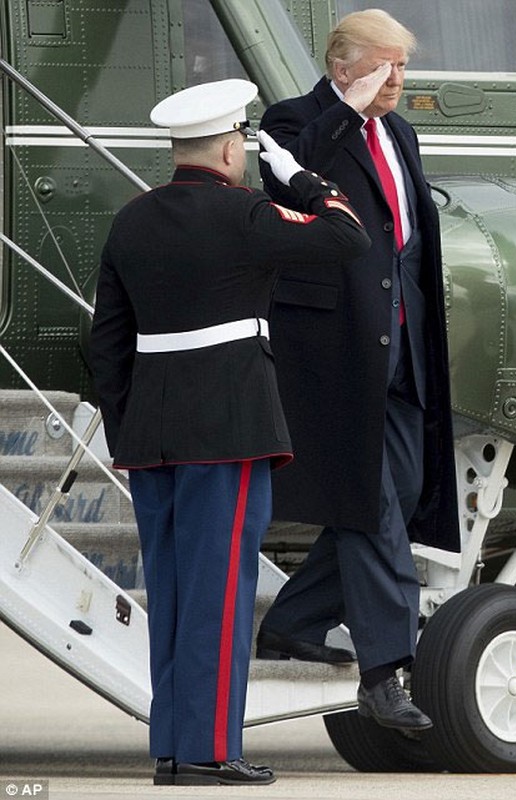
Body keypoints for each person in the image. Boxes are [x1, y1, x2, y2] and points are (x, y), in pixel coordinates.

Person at [89, 79, 370, 785]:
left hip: (152, 436)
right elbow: (346, 236)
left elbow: (108, 346)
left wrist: (130, 429)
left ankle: (172, 747)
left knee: (176, 593)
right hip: (228, 430)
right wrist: (302, 180)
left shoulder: (132, 221)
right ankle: (211, 752)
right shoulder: (246, 213)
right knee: (218, 592)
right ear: (227, 148)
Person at [253, 8, 458, 734]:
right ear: (343, 67)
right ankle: (385, 671)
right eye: (382, 66)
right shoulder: (294, 120)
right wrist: (342, 111)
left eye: (402, 66)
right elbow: (286, 182)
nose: (397, 80)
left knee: (394, 501)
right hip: (333, 354)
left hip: (403, 347)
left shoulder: (398, 132)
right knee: (371, 513)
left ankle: (295, 620)